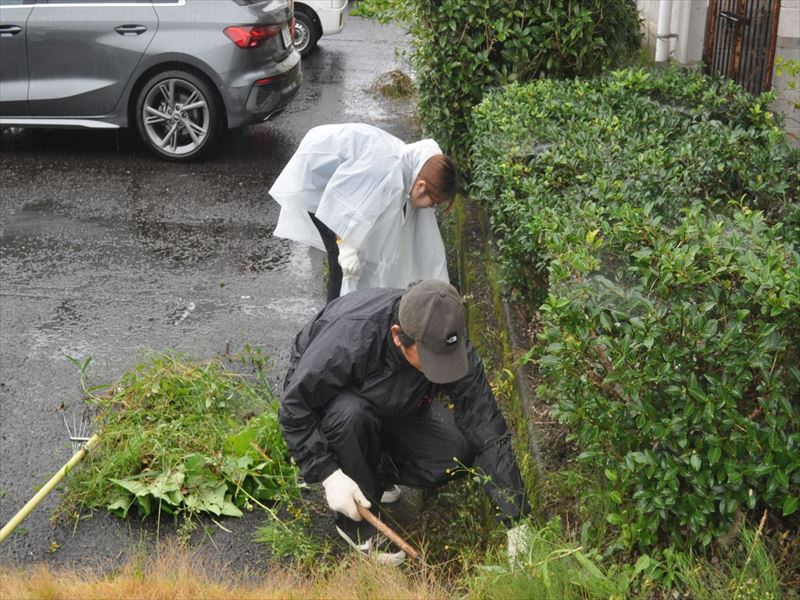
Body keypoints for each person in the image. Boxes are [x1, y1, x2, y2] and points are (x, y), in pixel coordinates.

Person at [279, 279, 531, 564]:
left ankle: (373, 475)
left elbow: (484, 423)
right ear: (398, 336)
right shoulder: (351, 337)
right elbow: (295, 407)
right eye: (430, 362)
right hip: (339, 405)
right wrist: (328, 473)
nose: (441, 368)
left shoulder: (445, 337)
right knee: (350, 415)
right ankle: (357, 529)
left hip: (396, 402)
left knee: (456, 454)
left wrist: (516, 516)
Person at [269, 123, 457, 303]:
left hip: (336, 172)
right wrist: (346, 247)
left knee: (351, 253)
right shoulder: (385, 171)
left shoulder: (410, 166)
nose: (430, 208)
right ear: (421, 187)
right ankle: (332, 318)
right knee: (341, 262)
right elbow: (340, 204)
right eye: (433, 202)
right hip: (317, 176)